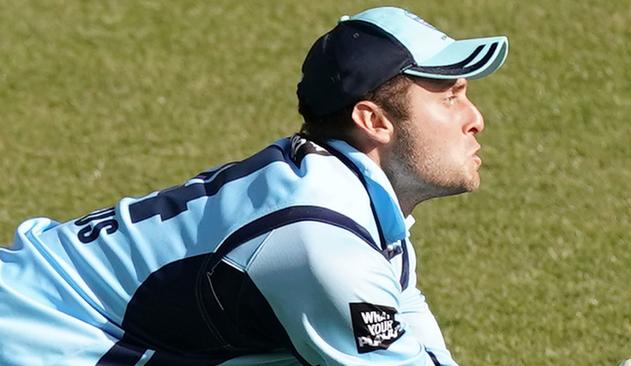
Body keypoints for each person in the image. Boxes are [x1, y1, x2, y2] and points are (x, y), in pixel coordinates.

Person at [0, 6, 508, 366]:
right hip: (30, 338)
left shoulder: (356, 199)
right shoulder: (323, 243)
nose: (476, 118)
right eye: (448, 97)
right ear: (373, 120)